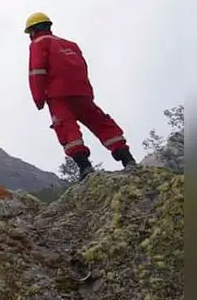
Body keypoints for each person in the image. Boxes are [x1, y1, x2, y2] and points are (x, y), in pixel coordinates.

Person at [24, 12, 136, 181]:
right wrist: (87, 92)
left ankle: (85, 167)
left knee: (67, 129)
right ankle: (127, 158)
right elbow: (83, 67)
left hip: (58, 95)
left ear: (33, 30)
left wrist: (38, 99)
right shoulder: (71, 45)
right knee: (101, 123)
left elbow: (37, 71)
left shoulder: (38, 44)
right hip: (82, 93)